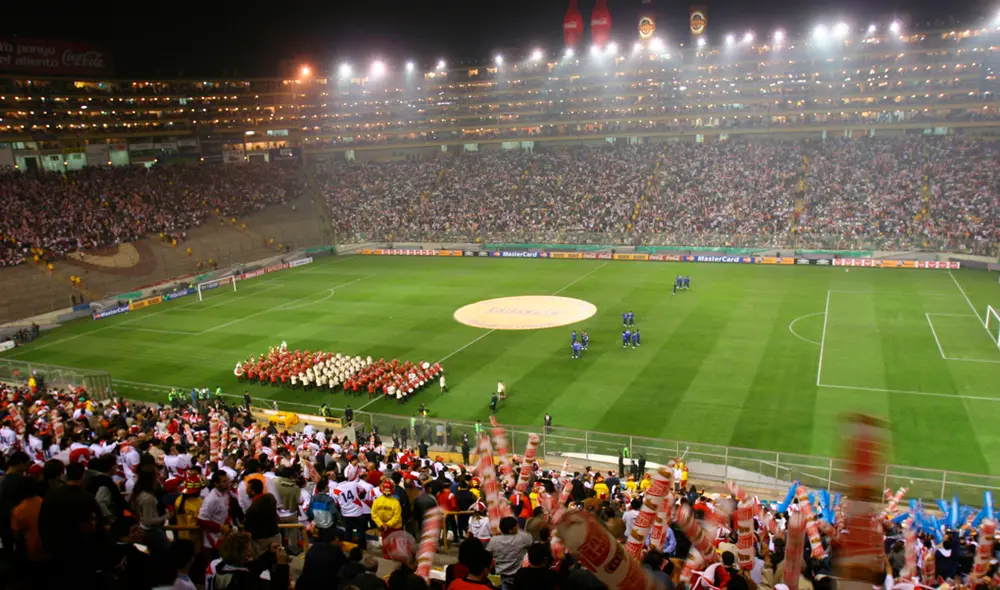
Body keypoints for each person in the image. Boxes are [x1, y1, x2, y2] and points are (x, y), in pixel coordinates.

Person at [210, 533, 289, 590]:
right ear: (245, 555)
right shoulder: (242, 580)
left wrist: (271, 554)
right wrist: (282, 564)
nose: (251, 550)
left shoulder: (226, 567)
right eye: (249, 548)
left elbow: (254, 567)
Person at [487, 516, 533, 590]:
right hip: (518, 575)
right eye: (516, 526)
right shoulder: (522, 538)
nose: (518, 528)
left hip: (502, 575)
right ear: (511, 529)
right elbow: (529, 539)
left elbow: (488, 553)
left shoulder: (494, 540)